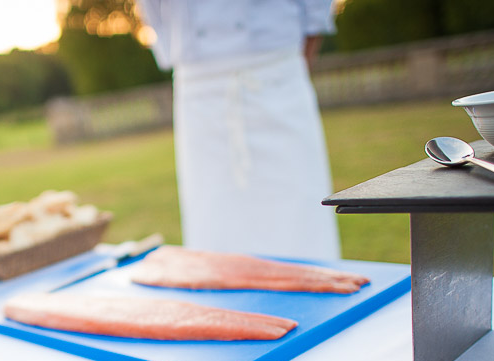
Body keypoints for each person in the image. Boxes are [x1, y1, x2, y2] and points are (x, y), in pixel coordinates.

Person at [137, 0, 341, 261]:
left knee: (300, 228)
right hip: (197, 93)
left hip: (277, 74)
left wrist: (288, 66)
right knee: (213, 238)